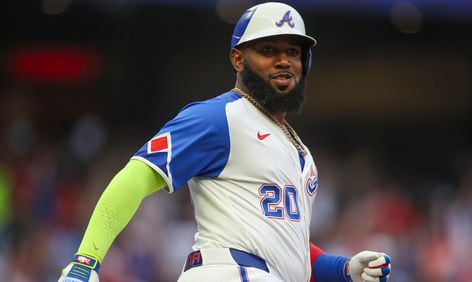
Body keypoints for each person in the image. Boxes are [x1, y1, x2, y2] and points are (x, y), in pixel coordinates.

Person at [59, 2, 392, 282]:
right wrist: (87, 260)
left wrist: (343, 268)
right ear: (238, 60)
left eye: (293, 51)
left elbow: (285, 246)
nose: (283, 60)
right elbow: (136, 176)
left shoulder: (298, 149)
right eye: (267, 50)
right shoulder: (220, 117)